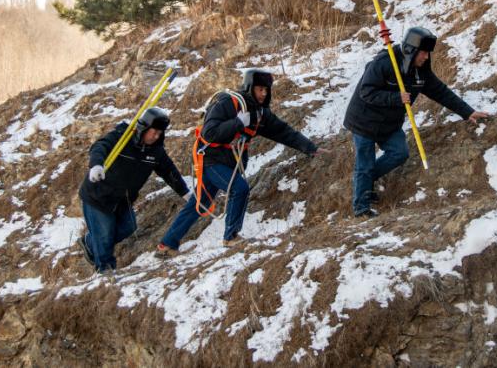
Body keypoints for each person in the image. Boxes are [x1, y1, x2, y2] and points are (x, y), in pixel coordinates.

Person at [158, 69, 324, 252]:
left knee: (201, 201)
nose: (263, 94)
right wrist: (237, 123)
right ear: (249, 87)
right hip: (211, 160)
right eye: (259, 89)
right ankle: (231, 237)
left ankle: (167, 244)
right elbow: (210, 133)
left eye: (266, 90)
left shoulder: (260, 113)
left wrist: (311, 148)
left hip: (229, 161)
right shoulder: (227, 103)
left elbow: (283, 131)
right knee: (240, 188)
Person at [343, 27, 490, 217]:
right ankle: (361, 207)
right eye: (423, 52)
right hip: (364, 121)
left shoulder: (421, 72)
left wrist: (467, 112)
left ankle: (363, 181)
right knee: (365, 163)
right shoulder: (385, 62)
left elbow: (440, 91)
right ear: (411, 50)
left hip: (389, 124)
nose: (426, 57)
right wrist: (395, 98)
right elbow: (367, 91)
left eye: (428, 53)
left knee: (399, 153)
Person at [78, 107, 189, 275]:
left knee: (128, 227)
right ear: (144, 127)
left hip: (123, 200)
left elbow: (168, 170)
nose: (156, 136)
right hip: (99, 195)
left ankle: (90, 242)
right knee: (105, 234)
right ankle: (105, 271)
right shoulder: (122, 137)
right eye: (154, 132)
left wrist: (185, 192)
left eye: (160, 133)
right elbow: (99, 146)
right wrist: (96, 165)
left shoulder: (155, 151)